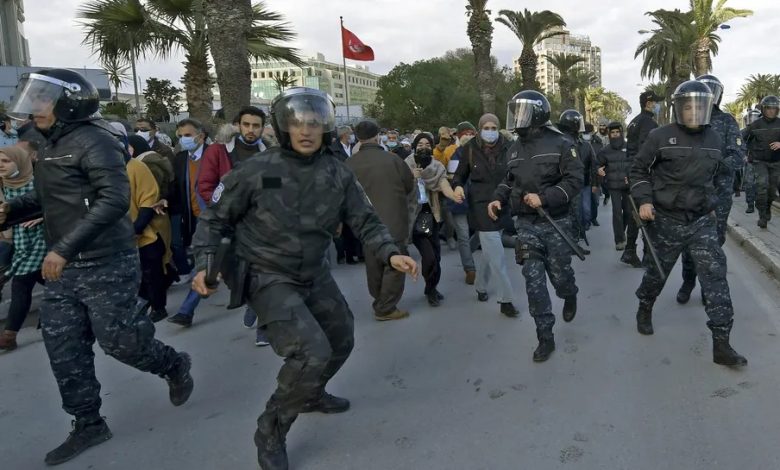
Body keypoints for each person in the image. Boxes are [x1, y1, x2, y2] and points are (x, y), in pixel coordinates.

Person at [189, 87, 418, 470]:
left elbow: (365, 219)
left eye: (314, 123)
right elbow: (215, 219)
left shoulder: (336, 173)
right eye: (298, 123)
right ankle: (271, 429)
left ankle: (309, 392)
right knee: (311, 351)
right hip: (267, 275)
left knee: (342, 338)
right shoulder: (257, 171)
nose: (306, 131)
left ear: (325, 126)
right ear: (283, 127)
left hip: (314, 272)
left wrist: (391, 252)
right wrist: (203, 264)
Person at [0, 68, 193, 465]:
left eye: (42, 99)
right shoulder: (45, 143)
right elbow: (57, 201)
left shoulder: (95, 141)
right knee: (62, 345)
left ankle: (174, 364)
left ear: (67, 102)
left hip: (106, 261)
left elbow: (112, 202)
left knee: (120, 342)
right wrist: (10, 211)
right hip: (64, 267)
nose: (33, 107)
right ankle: (88, 423)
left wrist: (64, 249)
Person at [629, 80, 746, 367]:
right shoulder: (659, 136)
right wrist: (644, 200)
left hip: (701, 221)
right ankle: (645, 307)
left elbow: (721, 175)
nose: (694, 111)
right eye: (688, 105)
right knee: (656, 274)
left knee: (716, 278)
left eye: (700, 105)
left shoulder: (715, 140)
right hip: (666, 220)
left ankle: (722, 343)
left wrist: (715, 205)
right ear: (678, 108)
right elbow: (638, 170)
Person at [488, 90, 583, 362]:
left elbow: (575, 181)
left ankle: (570, 293)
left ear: (538, 113)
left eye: (522, 112)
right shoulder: (514, 148)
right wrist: (497, 198)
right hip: (527, 224)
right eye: (514, 111)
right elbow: (509, 180)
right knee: (533, 281)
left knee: (560, 274)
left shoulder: (562, 144)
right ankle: (545, 336)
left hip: (556, 222)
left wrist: (544, 197)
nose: (517, 118)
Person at [676, 75, 745, 304]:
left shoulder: (727, 121)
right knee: (688, 238)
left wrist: (714, 164)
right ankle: (688, 280)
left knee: (714, 241)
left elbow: (737, 156)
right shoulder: (687, 120)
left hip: (719, 192)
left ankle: (708, 286)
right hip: (691, 190)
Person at [347, 119, 415, 321]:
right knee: (396, 262)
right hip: (394, 218)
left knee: (373, 261)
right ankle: (386, 306)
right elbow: (409, 185)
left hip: (365, 223)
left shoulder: (349, 163)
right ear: (378, 135)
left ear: (357, 138)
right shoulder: (393, 160)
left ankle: (379, 297)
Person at [453, 113, 519, 317]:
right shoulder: (469, 148)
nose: (490, 131)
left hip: (502, 203)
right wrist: (457, 187)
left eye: (493, 128)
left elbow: (515, 174)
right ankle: (506, 300)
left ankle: (481, 286)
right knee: (497, 254)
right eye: (486, 128)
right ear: (480, 128)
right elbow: (458, 176)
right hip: (480, 206)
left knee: (490, 250)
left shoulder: (509, 147)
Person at [405, 132, 463, 306]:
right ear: (415, 146)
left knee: (436, 256)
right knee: (428, 257)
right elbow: (398, 187)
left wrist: (453, 196)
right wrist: (411, 178)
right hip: (413, 217)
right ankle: (430, 291)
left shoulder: (436, 166)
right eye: (420, 144)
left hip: (431, 215)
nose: (424, 147)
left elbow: (443, 184)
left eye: (427, 144)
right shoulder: (406, 165)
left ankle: (432, 287)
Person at [0, 146, 45, 351]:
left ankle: (9, 336)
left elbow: (61, 205)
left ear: (20, 161)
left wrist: (43, 215)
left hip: (42, 241)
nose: (1, 165)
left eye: (6, 161)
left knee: (21, 283)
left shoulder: (40, 184)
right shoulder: (3, 185)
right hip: (19, 243)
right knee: (51, 280)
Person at [126, 135, 174, 323]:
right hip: (126, 233)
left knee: (152, 271)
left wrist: (136, 229)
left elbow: (149, 201)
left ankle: (158, 306)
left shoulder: (139, 167)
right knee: (138, 273)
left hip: (149, 231)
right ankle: (144, 302)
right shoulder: (109, 169)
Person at [167, 119, 209, 326]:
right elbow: (176, 185)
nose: (184, 139)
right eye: (181, 135)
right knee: (208, 261)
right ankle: (187, 310)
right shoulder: (181, 158)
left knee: (208, 261)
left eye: (188, 135)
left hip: (216, 218)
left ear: (201, 136)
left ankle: (186, 310)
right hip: (194, 217)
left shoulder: (215, 155)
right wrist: (165, 198)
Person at [594, 122, 637, 251]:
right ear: (609, 134)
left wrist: (630, 176)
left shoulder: (630, 147)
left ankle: (622, 232)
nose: (615, 134)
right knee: (617, 212)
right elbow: (597, 164)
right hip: (613, 185)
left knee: (629, 213)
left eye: (617, 132)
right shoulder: (605, 150)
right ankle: (619, 240)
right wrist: (598, 170)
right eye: (612, 133)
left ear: (621, 133)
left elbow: (635, 164)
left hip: (627, 185)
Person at [557, 109, 593, 255]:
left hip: (562, 184)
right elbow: (575, 166)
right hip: (570, 184)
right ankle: (572, 244)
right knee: (573, 214)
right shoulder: (569, 141)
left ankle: (570, 242)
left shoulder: (562, 139)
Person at [742, 95, 780, 229]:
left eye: (774, 108)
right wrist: (744, 153)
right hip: (759, 162)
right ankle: (762, 216)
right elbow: (741, 138)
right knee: (761, 187)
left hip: (776, 163)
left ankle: (768, 208)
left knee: (771, 191)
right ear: (764, 109)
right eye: (768, 108)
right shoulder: (755, 125)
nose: (771, 111)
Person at [448, 123, 478, 285]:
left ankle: (468, 253)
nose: (468, 136)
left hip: (477, 200)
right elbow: (453, 179)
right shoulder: (454, 155)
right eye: (465, 133)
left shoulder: (482, 154)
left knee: (481, 231)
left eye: (471, 133)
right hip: (459, 201)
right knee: (463, 235)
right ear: (459, 136)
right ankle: (469, 268)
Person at [742, 108, 761, 213]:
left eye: (755, 118)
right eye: (751, 118)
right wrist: (744, 155)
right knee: (749, 184)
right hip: (751, 161)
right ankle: (750, 205)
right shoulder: (746, 131)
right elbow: (740, 142)